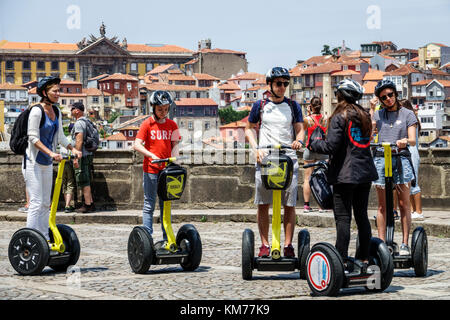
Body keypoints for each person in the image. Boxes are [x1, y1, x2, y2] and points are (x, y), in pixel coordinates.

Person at [308, 79, 378, 268]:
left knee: (343, 218)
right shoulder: (363, 114)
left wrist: (313, 142)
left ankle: (341, 260)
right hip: (364, 173)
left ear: (341, 95)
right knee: (362, 216)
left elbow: (330, 146)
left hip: (345, 175)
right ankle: (364, 257)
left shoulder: (340, 116)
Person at [245, 67, 305, 258]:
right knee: (263, 203)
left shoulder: (293, 106)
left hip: (288, 158)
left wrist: (299, 141)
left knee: (289, 204)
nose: (282, 87)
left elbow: (300, 129)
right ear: (270, 84)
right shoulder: (260, 105)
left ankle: (287, 246)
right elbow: (248, 129)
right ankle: (264, 245)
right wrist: (256, 148)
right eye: (279, 83)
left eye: (285, 84)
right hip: (266, 158)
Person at [24, 76, 81, 241]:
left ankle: (43, 237)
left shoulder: (56, 111)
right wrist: (51, 153)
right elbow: (33, 138)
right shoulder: (36, 111)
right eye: (54, 91)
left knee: (46, 203)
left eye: (58, 90)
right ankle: (30, 239)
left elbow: (61, 137)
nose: (58, 93)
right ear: (44, 92)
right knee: (35, 202)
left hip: (47, 163)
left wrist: (73, 149)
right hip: (32, 162)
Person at [371, 80, 418, 256]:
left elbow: (412, 139)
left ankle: (405, 243)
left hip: (401, 158)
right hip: (382, 159)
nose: (388, 99)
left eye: (390, 95)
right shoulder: (378, 115)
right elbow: (370, 133)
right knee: (382, 206)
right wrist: (371, 110)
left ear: (396, 94)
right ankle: (382, 244)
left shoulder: (407, 114)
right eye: (384, 97)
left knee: (403, 203)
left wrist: (405, 140)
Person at [134, 90, 180, 242]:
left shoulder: (172, 125)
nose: (163, 112)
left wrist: (175, 159)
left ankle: (168, 238)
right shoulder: (147, 124)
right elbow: (137, 144)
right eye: (160, 109)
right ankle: (147, 238)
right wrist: (150, 155)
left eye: (166, 109)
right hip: (151, 169)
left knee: (166, 205)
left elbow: (175, 145)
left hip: (166, 170)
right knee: (149, 204)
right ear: (153, 107)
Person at [302, 96, 328, 213]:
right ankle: (321, 206)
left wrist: (308, 113)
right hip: (323, 150)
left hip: (310, 149)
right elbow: (327, 133)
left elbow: (303, 130)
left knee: (307, 178)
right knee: (322, 178)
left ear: (311, 106)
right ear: (321, 106)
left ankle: (306, 205)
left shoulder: (307, 119)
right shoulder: (325, 118)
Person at [400, 99, 423, 220]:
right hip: (408, 152)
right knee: (408, 182)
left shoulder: (411, 121)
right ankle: (414, 210)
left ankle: (418, 211)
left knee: (414, 182)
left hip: (411, 152)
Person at [71, 102, 96, 213]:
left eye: (72, 109)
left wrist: (76, 157)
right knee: (86, 180)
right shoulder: (87, 121)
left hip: (83, 155)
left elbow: (79, 141)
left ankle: (87, 205)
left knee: (83, 180)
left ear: (77, 110)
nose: (71, 111)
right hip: (88, 154)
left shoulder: (79, 124)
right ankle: (90, 203)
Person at [60, 123, 77, 213]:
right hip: (69, 163)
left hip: (62, 163)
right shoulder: (73, 140)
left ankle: (67, 204)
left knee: (64, 183)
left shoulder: (64, 139)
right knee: (70, 183)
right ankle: (67, 205)